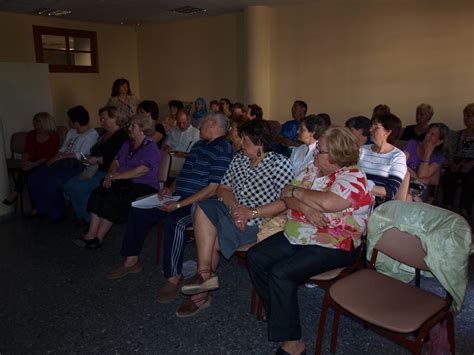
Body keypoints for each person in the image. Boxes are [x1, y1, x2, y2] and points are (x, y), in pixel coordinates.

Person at [246, 126, 372, 355]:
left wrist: (298, 193)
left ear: (335, 155)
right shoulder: (313, 169)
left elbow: (327, 203)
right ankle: (280, 315)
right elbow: (285, 192)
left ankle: (294, 344)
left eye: (320, 150)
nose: (314, 153)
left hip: (337, 242)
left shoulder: (354, 176)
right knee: (256, 257)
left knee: (282, 272)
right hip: (300, 232)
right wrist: (302, 203)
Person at [106, 112, 233, 305]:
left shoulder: (223, 147)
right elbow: (184, 174)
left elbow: (212, 189)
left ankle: (173, 277)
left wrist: (180, 204)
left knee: (175, 222)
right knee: (139, 209)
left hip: (199, 206)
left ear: (213, 124)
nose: (199, 127)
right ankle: (131, 261)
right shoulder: (199, 145)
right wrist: (169, 189)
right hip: (179, 196)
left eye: (203, 123)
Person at [178, 120, 294, 317]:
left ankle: (201, 292)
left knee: (211, 237)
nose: (240, 144)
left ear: (259, 142)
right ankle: (205, 274)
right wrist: (235, 208)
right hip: (234, 213)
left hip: (259, 221)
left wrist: (251, 212)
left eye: (245, 141)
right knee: (203, 207)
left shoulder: (279, 163)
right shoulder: (239, 159)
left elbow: (286, 202)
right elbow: (224, 188)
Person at [73, 114, 160, 249]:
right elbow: (116, 161)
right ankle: (91, 234)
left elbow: (141, 170)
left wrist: (117, 177)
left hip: (143, 184)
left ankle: (98, 239)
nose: (129, 128)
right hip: (122, 180)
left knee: (112, 197)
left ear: (142, 129)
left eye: (133, 126)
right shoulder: (128, 143)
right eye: (129, 125)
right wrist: (110, 174)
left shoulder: (150, 146)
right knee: (99, 192)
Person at [28, 106, 98, 220]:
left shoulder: (91, 134)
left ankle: (57, 213)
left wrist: (59, 158)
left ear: (76, 122)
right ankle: (43, 208)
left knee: (52, 183)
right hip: (60, 161)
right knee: (33, 178)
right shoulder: (72, 132)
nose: (68, 122)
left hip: (75, 165)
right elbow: (63, 148)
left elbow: (81, 155)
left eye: (70, 120)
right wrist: (54, 158)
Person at [64, 106, 128, 225]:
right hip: (94, 169)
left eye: (104, 119)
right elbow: (94, 152)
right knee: (68, 186)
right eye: (101, 119)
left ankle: (89, 220)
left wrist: (97, 159)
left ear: (115, 118)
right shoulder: (104, 134)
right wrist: (86, 157)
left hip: (109, 171)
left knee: (78, 189)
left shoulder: (122, 136)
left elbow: (118, 160)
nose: (101, 121)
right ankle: (83, 216)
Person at [3, 112, 59, 206]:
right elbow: (27, 150)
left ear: (45, 122)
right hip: (33, 161)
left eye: (37, 120)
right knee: (26, 171)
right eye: (34, 120)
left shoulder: (53, 136)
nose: (34, 122)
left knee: (28, 173)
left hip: (46, 162)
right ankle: (34, 207)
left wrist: (33, 164)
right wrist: (24, 161)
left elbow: (49, 155)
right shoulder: (32, 134)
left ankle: (15, 193)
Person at [359, 113, 407, 206]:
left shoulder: (397, 156)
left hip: (379, 206)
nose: (370, 129)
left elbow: (391, 191)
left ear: (387, 132)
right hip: (356, 199)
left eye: (376, 126)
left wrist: (364, 185)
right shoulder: (362, 150)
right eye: (371, 126)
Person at [443, 103, 474, 219]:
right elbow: (450, 151)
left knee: (470, 178)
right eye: (465, 116)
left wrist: (471, 164)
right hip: (456, 161)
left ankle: (465, 210)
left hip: (472, 164)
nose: (467, 119)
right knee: (448, 175)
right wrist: (452, 164)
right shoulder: (457, 134)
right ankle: (447, 206)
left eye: (470, 116)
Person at [404, 123, 449, 202]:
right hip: (403, 180)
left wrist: (428, 152)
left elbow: (422, 174)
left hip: (420, 187)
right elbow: (400, 164)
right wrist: (418, 177)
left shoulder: (439, 157)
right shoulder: (412, 143)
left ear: (439, 141)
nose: (427, 135)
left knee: (411, 196)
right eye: (428, 132)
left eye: (432, 134)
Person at [163, 110, 201, 177]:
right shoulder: (173, 130)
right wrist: (166, 148)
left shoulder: (196, 133)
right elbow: (167, 144)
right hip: (170, 157)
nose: (181, 126)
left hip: (185, 160)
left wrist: (184, 154)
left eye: (184, 123)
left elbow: (198, 154)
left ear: (189, 120)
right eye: (179, 123)